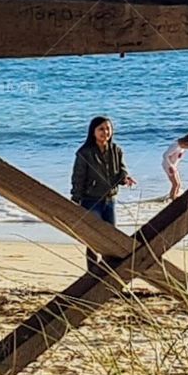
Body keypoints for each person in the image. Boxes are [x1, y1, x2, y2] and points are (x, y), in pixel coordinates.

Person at [71, 116, 136, 274]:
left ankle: (109, 273)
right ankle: (93, 273)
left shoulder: (116, 150)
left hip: (109, 200)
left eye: (108, 128)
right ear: (93, 132)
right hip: (90, 201)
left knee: (111, 239)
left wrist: (125, 178)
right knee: (93, 239)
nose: (105, 132)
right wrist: (75, 198)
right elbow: (78, 177)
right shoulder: (84, 153)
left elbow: (121, 170)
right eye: (101, 129)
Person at [161, 132, 188, 201]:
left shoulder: (182, 147)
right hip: (168, 166)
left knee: (179, 185)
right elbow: (165, 155)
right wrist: (171, 166)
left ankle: (173, 197)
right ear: (186, 143)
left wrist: (174, 166)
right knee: (175, 184)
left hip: (173, 166)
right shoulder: (175, 146)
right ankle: (172, 199)